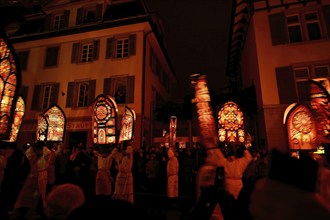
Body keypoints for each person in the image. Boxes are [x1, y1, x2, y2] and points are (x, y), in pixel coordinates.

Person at [13, 141, 52, 219]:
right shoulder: (30, 153)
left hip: (40, 175)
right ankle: (25, 208)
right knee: (28, 192)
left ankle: (37, 208)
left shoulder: (46, 153)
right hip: (32, 174)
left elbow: (47, 160)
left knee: (40, 192)